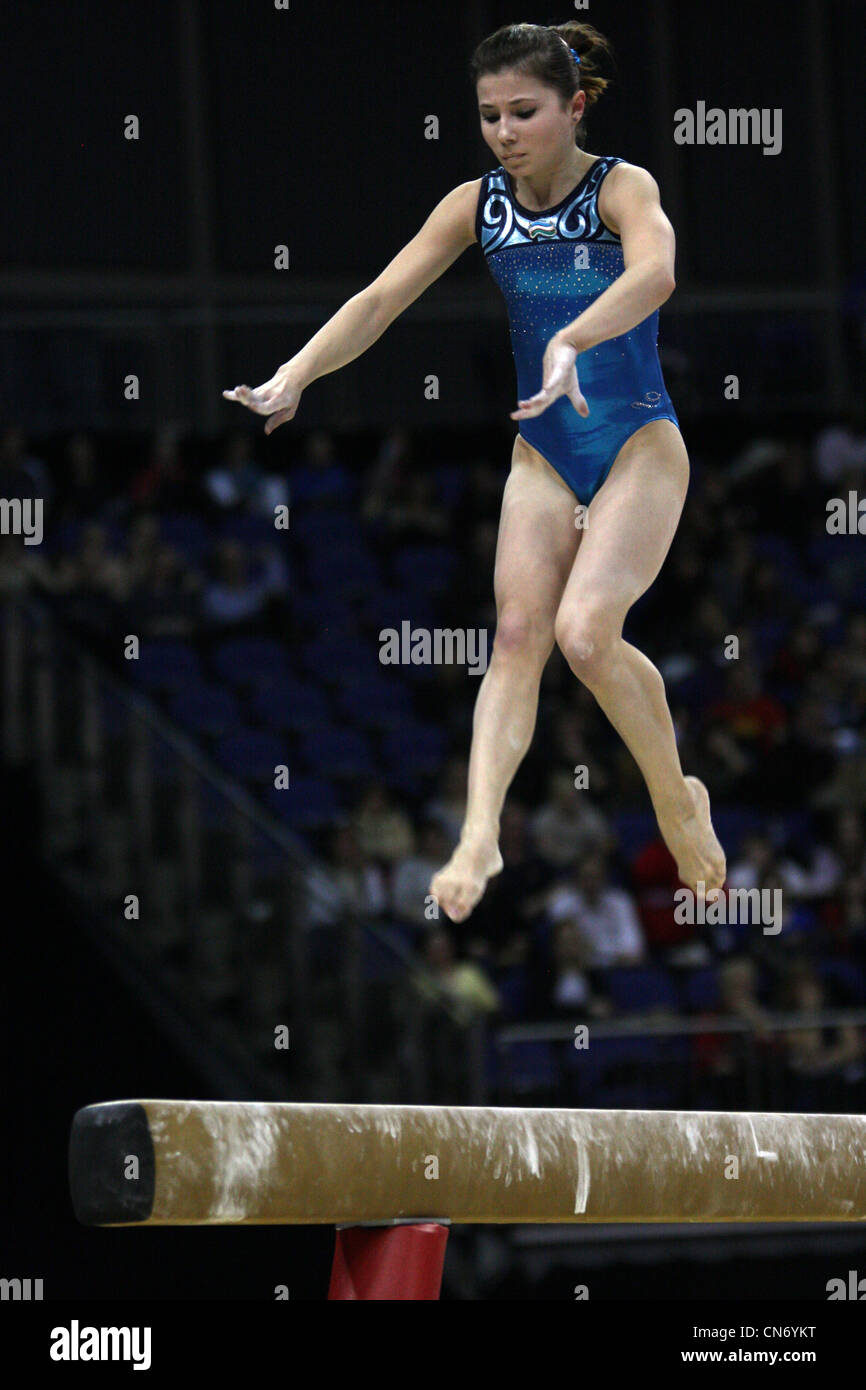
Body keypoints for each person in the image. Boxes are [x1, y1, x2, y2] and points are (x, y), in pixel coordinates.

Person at [222, 19, 726, 924]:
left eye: (523, 112)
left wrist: (572, 336)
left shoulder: (622, 188)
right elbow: (380, 296)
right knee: (519, 636)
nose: (503, 132)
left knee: (585, 634)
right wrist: (295, 375)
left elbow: (657, 275)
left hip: (637, 443)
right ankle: (479, 834)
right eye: (489, 114)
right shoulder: (477, 205)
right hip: (542, 452)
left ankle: (675, 797)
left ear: (573, 108)